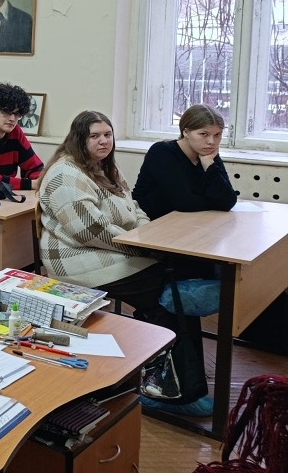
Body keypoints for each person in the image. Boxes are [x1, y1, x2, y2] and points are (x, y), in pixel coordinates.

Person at [39, 110, 211, 416]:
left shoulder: (104, 168)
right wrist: (140, 246)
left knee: (173, 290)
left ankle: (175, 383)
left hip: (111, 250)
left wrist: (145, 234)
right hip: (77, 259)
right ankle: (172, 393)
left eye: (107, 134)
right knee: (171, 297)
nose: (103, 141)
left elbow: (134, 208)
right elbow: (90, 230)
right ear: (79, 139)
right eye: (94, 136)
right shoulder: (65, 174)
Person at [133, 103, 237, 220]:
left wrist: (209, 165)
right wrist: (218, 203)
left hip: (187, 220)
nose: (212, 142)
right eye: (204, 134)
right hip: (150, 221)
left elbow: (229, 201)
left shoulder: (208, 155)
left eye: (217, 134)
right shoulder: (162, 151)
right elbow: (185, 203)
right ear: (186, 132)